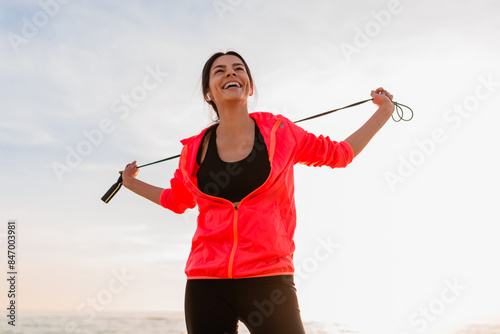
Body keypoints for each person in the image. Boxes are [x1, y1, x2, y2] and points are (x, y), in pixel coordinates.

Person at [121, 50, 395, 334]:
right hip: (206, 283)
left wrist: (384, 112)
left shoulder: (281, 132)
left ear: (250, 87)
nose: (230, 72)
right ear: (208, 93)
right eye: (220, 70)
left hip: (269, 280)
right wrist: (130, 183)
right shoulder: (192, 151)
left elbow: (340, 154)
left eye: (238, 68)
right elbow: (175, 200)